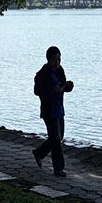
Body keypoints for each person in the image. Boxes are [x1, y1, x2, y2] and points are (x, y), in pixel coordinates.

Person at [33, 45, 74, 177]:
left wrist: (68, 86)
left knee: (58, 137)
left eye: (59, 59)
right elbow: (37, 91)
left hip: (59, 108)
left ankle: (39, 153)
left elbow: (63, 85)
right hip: (48, 109)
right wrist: (52, 90)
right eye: (54, 60)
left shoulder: (60, 70)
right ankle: (58, 168)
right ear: (48, 59)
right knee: (55, 139)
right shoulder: (42, 74)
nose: (57, 62)